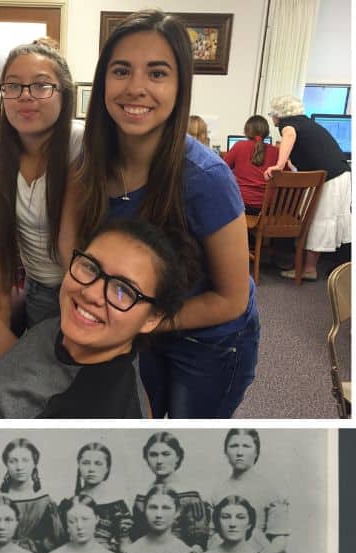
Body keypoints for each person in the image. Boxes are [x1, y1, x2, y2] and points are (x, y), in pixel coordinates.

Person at [70, 10, 258, 418]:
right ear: (103, 80)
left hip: (208, 341)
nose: (136, 88)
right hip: (141, 328)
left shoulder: (206, 178)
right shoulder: (92, 164)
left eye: (157, 74)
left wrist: (135, 322)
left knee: (188, 447)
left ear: (179, 87)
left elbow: (231, 299)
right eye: (121, 71)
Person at [0, 218, 187, 419]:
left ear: (152, 319)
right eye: (90, 267)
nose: (90, 293)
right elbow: (26, 371)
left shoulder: (92, 424)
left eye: (122, 290)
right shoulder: (72, 327)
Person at [0, 39, 82, 328]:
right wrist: (0, 313)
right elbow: (1, 236)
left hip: (83, 287)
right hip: (38, 288)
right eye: (13, 86)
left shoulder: (79, 142)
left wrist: (79, 307)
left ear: (64, 94)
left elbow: (67, 240)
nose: (25, 96)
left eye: (41, 86)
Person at [266, 93, 352, 278]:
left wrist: (279, 165)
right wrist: (290, 162)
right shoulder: (305, 123)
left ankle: (309, 269)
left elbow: (289, 134)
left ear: (277, 114)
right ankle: (308, 267)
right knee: (319, 220)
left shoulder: (287, 124)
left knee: (319, 221)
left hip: (331, 178)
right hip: (339, 173)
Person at [0, 438, 64, 553]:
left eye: (25, 460)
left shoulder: (45, 502)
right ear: (6, 464)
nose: (19, 467)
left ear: (34, 463)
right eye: (13, 461)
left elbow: (54, 542)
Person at [130, 431, 210, 550]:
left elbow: (198, 541)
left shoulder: (191, 495)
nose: (159, 461)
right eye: (153, 455)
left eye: (166, 454)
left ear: (177, 457)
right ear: (146, 458)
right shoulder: (142, 495)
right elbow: (137, 536)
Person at [61, 442, 132, 552]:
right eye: (86, 463)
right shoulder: (67, 504)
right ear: (79, 466)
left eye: (98, 463)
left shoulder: (118, 507)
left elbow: (125, 544)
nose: (91, 469)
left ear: (107, 468)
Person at [224, 114, 280, 216]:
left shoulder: (239, 146)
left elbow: (222, 170)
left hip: (241, 207)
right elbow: (288, 175)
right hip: (266, 210)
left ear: (246, 131)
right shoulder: (276, 152)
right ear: (266, 133)